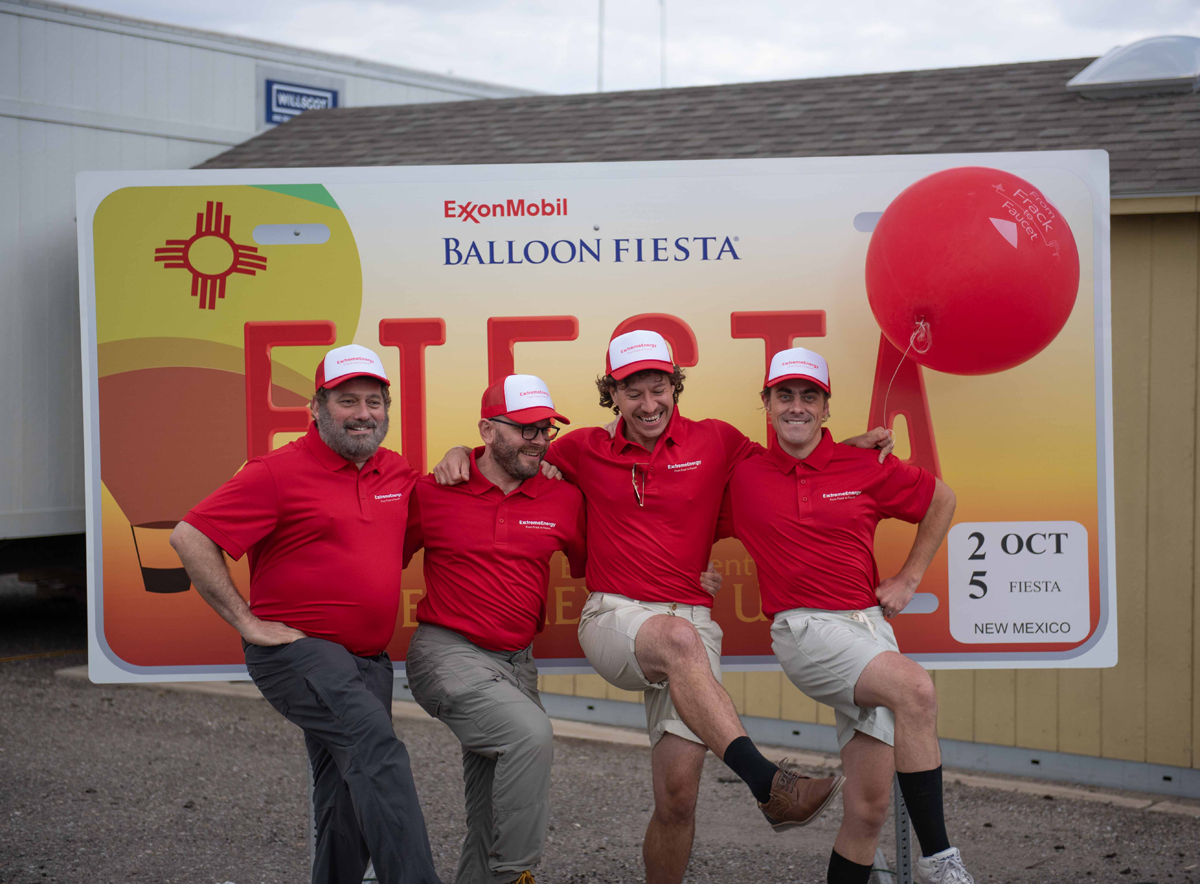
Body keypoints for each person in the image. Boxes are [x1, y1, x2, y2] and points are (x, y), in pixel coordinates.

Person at [434, 330, 891, 884]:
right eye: (633, 392)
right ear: (614, 395)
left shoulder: (718, 441)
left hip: (689, 624)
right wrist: (460, 451)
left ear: (675, 387)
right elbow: (513, 452)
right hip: (614, 616)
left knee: (678, 797)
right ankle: (768, 783)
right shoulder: (580, 447)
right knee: (677, 639)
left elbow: (790, 461)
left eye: (659, 389)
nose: (648, 404)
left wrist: (844, 450)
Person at [170, 344, 441, 884]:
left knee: (346, 794)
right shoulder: (276, 472)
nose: (363, 413)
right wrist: (245, 621)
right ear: (316, 408)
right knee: (377, 754)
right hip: (300, 655)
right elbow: (190, 535)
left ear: (387, 409)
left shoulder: (396, 473)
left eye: (373, 401)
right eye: (346, 401)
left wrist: (462, 456)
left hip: (368, 662)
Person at [717, 347, 970, 884]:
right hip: (805, 629)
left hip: (868, 629)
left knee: (868, 809)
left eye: (809, 396)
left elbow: (941, 500)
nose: (796, 406)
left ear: (826, 409)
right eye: (784, 395)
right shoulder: (743, 475)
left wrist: (909, 578)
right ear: (766, 403)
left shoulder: (863, 464)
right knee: (916, 690)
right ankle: (940, 861)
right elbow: (676, 505)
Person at [402, 375, 588, 884]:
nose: (538, 438)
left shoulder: (562, 498)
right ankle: (517, 877)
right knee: (529, 737)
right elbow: (375, 559)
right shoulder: (435, 489)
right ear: (487, 429)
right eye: (524, 428)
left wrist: (691, 575)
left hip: (517, 665)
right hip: (446, 653)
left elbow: (607, 564)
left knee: (491, 811)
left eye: (544, 428)